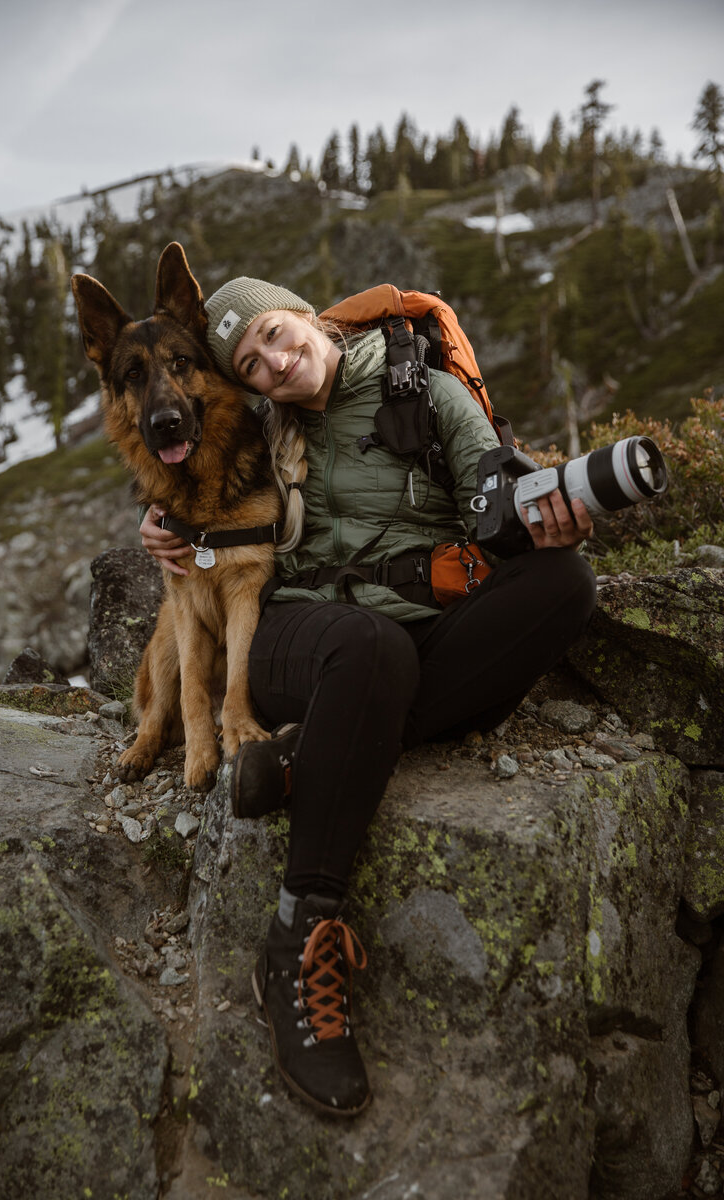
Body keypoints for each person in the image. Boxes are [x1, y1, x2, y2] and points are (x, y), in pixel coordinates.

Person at [139, 277, 596, 1118]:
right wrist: (165, 526)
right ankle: (297, 940)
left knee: (565, 582)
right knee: (367, 648)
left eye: (278, 336)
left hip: (419, 636)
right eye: (253, 366)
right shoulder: (256, 427)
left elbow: (492, 491)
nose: (277, 365)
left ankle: (322, 750)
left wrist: (547, 511)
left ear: (306, 316)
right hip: (295, 641)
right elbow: (179, 477)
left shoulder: (422, 385)